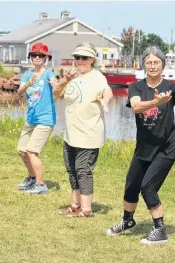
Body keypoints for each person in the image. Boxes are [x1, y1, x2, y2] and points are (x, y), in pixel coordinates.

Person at [105, 46, 175, 244]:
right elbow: (137, 107)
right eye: (149, 62)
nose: (152, 66)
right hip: (145, 145)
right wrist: (156, 103)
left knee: (148, 187)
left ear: (163, 65)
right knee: (131, 185)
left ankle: (160, 230)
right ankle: (127, 221)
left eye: (156, 62)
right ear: (144, 65)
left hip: (167, 145)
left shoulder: (171, 85)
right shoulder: (136, 87)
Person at [55, 42, 113, 217]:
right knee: (71, 168)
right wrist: (65, 80)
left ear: (92, 59)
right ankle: (75, 205)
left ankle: (86, 209)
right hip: (71, 133)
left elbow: (107, 91)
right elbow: (56, 93)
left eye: (84, 57)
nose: (80, 60)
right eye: (77, 57)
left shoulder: (97, 76)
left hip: (89, 133)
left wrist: (105, 100)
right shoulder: (71, 75)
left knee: (82, 169)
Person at [16, 42, 58, 195]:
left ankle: (40, 185)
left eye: (41, 55)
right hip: (31, 118)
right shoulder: (27, 74)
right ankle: (32, 178)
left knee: (32, 152)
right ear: (31, 57)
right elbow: (20, 92)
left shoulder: (48, 73)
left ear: (46, 58)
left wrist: (55, 82)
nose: (37, 57)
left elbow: (54, 82)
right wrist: (27, 84)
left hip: (45, 119)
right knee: (22, 150)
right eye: (34, 55)